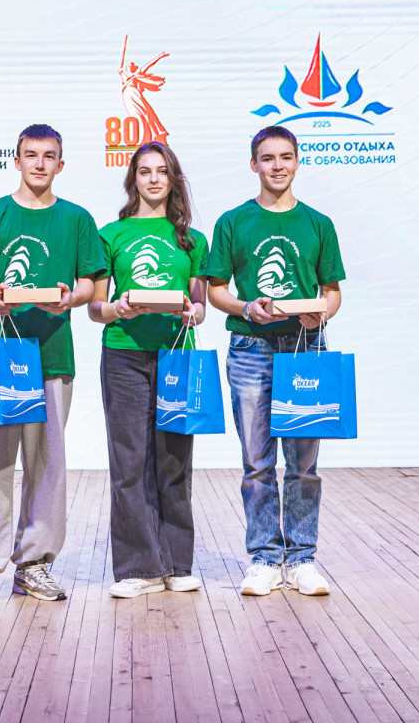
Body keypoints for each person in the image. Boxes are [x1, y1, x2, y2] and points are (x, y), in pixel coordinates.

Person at [0, 124, 106, 613]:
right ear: (16, 161)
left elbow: (89, 285)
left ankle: (33, 563)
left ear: (61, 163)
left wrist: (69, 299)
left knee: (46, 465)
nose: (39, 163)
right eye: (31, 155)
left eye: (49, 155)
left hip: (52, 355)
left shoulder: (77, 219)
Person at [205, 125, 345, 597]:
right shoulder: (233, 222)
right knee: (257, 464)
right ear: (254, 165)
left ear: (298, 161)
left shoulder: (319, 224)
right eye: (268, 158)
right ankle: (264, 558)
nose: (277, 166)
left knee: (303, 464)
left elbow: (332, 293)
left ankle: (302, 558)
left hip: (306, 349)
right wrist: (247, 307)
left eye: (286, 157)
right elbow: (216, 290)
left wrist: (319, 313)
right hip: (251, 349)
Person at [88, 142, 209, 598]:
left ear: (173, 178)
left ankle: (176, 564)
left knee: (175, 462)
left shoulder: (193, 241)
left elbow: (199, 304)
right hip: (123, 355)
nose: (154, 179)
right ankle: (138, 568)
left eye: (162, 171)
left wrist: (194, 312)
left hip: (177, 355)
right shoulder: (110, 235)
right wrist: (117, 308)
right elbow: (95, 308)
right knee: (130, 462)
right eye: (144, 171)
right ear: (133, 179)